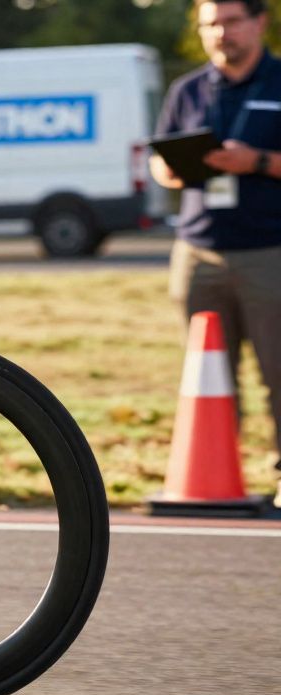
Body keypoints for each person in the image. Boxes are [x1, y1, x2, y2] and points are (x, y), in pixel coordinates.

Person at [149, 0, 281, 505]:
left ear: (259, 22)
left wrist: (259, 161)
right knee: (209, 376)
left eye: (231, 21)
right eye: (210, 25)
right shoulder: (187, 89)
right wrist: (174, 170)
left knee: (277, 375)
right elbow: (162, 161)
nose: (221, 33)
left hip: (269, 251)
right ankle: (218, 479)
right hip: (199, 251)